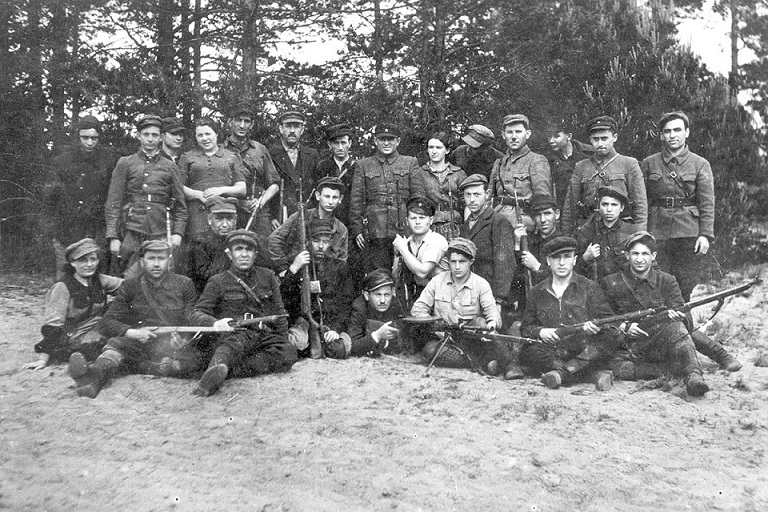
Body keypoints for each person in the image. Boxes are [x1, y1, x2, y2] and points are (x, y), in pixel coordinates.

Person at [641, 111, 740, 372]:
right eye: (667, 131)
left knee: (681, 298)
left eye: (677, 130)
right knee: (661, 297)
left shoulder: (699, 164)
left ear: (687, 133)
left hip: (689, 237)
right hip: (657, 236)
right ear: (661, 135)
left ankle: (698, 353)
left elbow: (707, 202)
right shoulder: (650, 163)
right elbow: (643, 202)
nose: (672, 136)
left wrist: (706, 234)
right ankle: (691, 352)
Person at [67, 241, 209, 398]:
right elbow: (107, 322)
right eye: (151, 258)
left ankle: (140, 367)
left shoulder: (184, 284)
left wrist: (185, 338)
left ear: (169, 260)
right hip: (139, 343)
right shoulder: (130, 286)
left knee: (195, 361)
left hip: (171, 344)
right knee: (116, 345)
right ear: (142, 261)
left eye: (161, 259)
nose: (156, 264)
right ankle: (92, 379)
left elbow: (191, 317)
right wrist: (131, 332)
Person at [600, 231, 709, 396]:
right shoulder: (611, 282)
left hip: (659, 343)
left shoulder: (667, 280)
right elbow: (602, 317)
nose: (639, 259)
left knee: (677, 327)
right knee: (616, 367)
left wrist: (678, 316)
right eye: (635, 253)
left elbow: (685, 316)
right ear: (626, 255)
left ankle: (694, 375)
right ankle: (670, 369)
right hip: (630, 345)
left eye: (645, 254)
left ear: (654, 256)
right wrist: (623, 326)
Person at [191, 229, 297, 397]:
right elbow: (196, 313)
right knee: (237, 340)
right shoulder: (217, 281)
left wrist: (282, 337)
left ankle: (223, 370)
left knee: (288, 352)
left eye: (249, 250)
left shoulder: (267, 276)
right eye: (239, 249)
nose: (244, 254)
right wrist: (215, 323)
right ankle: (210, 379)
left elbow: (279, 311)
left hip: (261, 335)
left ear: (255, 254)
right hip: (233, 335)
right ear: (229, 253)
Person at [519, 236, 621, 389]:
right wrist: (541, 331)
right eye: (556, 258)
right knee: (529, 353)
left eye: (567, 257)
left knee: (612, 337)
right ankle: (590, 375)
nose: (561, 263)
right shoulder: (537, 291)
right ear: (548, 261)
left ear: (574, 260)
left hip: (583, 347)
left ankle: (562, 374)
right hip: (554, 350)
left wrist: (596, 327)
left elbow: (609, 321)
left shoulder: (590, 287)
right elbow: (526, 327)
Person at [104, 115, 187, 278]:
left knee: (162, 275)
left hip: (161, 229)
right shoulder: (126, 163)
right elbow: (113, 203)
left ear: (161, 137)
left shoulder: (170, 166)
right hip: (132, 229)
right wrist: (113, 236)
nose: (150, 139)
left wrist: (178, 233)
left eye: (155, 135)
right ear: (138, 136)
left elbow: (181, 206)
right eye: (146, 134)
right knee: (129, 276)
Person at [23, 239, 122, 370]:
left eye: (93, 259)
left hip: (98, 329)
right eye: (82, 260)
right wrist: (42, 360)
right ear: (72, 262)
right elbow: (53, 326)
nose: (89, 264)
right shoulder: (62, 287)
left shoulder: (100, 280)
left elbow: (130, 285)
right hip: (73, 339)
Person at [411, 238, 504, 371]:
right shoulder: (437, 281)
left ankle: (504, 363)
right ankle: (479, 362)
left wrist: (492, 323)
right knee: (430, 351)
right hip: (443, 339)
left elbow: (492, 312)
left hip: (471, 339)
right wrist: (434, 325)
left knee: (481, 323)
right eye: (453, 262)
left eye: (462, 262)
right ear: (448, 262)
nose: (457, 266)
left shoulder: (481, 284)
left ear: (471, 262)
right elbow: (418, 309)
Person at [42, 115, 118, 277]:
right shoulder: (61, 162)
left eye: (94, 138)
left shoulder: (108, 162)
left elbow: (114, 197)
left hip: (96, 229)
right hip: (66, 229)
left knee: (96, 276)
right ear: (77, 137)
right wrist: (53, 231)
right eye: (85, 137)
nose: (90, 143)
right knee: (65, 277)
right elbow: (49, 199)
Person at [349, 123, 426, 271]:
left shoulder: (410, 162)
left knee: (406, 272)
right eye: (382, 139)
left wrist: (416, 225)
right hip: (375, 230)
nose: (386, 143)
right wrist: (357, 229)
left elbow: (418, 198)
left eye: (390, 139)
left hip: (405, 228)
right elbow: (356, 201)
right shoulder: (363, 165)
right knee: (379, 274)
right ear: (375, 141)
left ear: (398, 141)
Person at [281, 219, 355, 359]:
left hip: (331, 322)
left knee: (338, 349)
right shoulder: (298, 264)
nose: (321, 246)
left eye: (325, 241)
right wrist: (294, 269)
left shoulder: (340, 267)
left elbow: (346, 303)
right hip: (304, 324)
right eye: (316, 241)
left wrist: (336, 329)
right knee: (294, 347)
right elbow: (284, 298)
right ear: (307, 242)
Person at [561, 115, 647, 233]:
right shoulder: (581, 167)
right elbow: (569, 207)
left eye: (604, 138)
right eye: (596, 139)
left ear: (614, 137)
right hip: (588, 231)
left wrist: (640, 235)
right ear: (590, 139)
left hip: (620, 231)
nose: (600, 143)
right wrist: (566, 236)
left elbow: (640, 205)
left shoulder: (629, 164)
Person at [177, 117, 247, 242]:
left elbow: (242, 189)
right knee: (198, 250)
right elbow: (178, 187)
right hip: (197, 214)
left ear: (217, 134)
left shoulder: (231, 156)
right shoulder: (187, 157)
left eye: (208, 134)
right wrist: (198, 195)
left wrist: (221, 190)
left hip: (224, 212)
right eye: (200, 135)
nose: (204, 138)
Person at [186, 197, 273, 294]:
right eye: (219, 219)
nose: (225, 224)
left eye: (229, 218)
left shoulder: (245, 239)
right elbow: (205, 277)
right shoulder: (199, 242)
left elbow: (265, 269)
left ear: (235, 219)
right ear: (209, 219)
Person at [268, 176, 348, 276]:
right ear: (318, 196)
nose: (331, 202)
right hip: (296, 273)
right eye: (327, 196)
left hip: (324, 279)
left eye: (335, 197)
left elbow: (341, 261)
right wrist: (283, 268)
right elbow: (274, 240)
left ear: (340, 199)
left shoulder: (341, 229)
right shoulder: (300, 217)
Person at [221, 103, 280, 238]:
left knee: (263, 252)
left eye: (246, 121)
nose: (242, 125)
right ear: (230, 122)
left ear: (252, 125)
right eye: (238, 120)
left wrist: (261, 202)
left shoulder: (260, 150)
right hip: (229, 210)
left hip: (258, 211)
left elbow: (274, 185)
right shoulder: (220, 150)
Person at [459, 174, 515, 315]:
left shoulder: (498, 222)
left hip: (492, 295)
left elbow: (505, 264)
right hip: (471, 293)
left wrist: (498, 300)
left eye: (477, 194)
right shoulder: (465, 226)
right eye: (467, 195)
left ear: (487, 194)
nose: (471, 200)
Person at [489, 114, 552, 233]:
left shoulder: (536, 160)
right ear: (503, 135)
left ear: (527, 134)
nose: (513, 137)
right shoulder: (498, 163)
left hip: (523, 222)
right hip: (497, 219)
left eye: (518, 132)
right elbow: (489, 198)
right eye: (509, 132)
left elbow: (543, 199)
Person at [392, 196, 448, 309]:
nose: (417, 222)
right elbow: (395, 275)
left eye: (422, 218)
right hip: (418, 295)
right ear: (407, 221)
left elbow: (423, 272)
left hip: (442, 296)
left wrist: (403, 250)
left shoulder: (436, 240)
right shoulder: (406, 242)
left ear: (431, 220)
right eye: (413, 218)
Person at [510, 193, 562, 312]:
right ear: (533, 218)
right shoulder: (528, 242)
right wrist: (517, 244)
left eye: (547, 213)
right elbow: (516, 276)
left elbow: (564, 277)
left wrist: (537, 267)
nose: (543, 220)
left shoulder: (564, 242)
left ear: (557, 214)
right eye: (538, 215)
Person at [575, 186, 638, 281]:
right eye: (605, 204)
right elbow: (572, 268)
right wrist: (585, 257)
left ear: (622, 208)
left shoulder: (632, 233)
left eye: (614, 205)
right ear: (599, 207)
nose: (609, 209)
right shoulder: (586, 232)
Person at [269, 110, 319, 228]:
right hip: (280, 219)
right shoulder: (271, 154)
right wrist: (272, 217)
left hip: (308, 218)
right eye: (288, 126)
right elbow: (267, 186)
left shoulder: (312, 155)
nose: (292, 131)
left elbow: (318, 187)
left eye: (296, 127)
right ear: (281, 129)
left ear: (302, 130)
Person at [346, 269, 405, 356]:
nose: (382, 301)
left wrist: (385, 344)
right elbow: (352, 345)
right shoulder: (359, 308)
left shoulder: (395, 305)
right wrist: (378, 335)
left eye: (387, 295)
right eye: (377, 294)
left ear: (392, 293)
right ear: (367, 295)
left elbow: (404, 342)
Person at [420, 131, 466, 239]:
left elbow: (466, 204)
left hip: (455, 226)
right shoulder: (420, 173)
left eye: (439, 148)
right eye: (431, 147)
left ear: (447, 150)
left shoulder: (459, 174)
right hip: (430, 227)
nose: (434, 151)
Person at [543, 118, 590, 211]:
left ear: (569, 136)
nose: (551, 141)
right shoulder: (546, 159)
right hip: (560, 207)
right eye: (549, 136)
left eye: (556, 136)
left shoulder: (588, 155)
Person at [315, 123, 356, 226]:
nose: (340, 147)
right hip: (327, 218)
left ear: (349, 143)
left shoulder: (357, 167)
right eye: (336, 143)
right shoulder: (322, 166)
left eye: (343, 143)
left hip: (350, 219)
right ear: (330, 145)